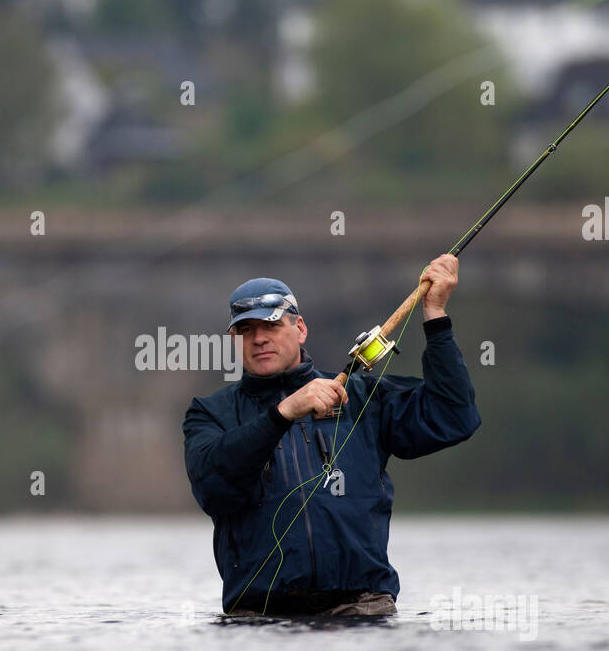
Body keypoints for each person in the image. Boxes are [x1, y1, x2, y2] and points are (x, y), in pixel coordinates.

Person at [182, 255, 480, 617]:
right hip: (259, 615)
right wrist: (282, 414)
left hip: (362, 607)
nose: (258, 339)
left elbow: (455, 416)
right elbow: (213, 488)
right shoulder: (211, 412)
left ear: (300, 329)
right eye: (246, 331)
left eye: (271, 326)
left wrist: (436, 317)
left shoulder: (364, 397)